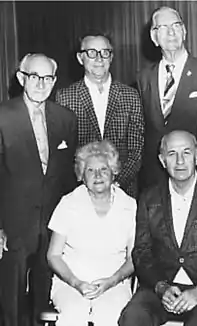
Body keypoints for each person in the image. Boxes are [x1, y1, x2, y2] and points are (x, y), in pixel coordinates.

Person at [118, 130, 197, 326]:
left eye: (186, 152)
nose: (179, 161)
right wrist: (161, 287)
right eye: (172, 154)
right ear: (162, 160)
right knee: (133, 317)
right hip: (163, 286)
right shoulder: (149, 198)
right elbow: (142, 251)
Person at [0, 53, 78, 326]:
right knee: (10, 301)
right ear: (21, 78)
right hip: (14, 224)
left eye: (48, 78)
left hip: (53, 225)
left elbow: (68, 177)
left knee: (43, 302)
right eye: (35, 77)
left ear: (55, 81)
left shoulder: (66, 119)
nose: (41, 84)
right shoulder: (2, 117)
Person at [47, 140, 136, 326]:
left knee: (111, 317)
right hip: (70, 284)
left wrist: (111, 282)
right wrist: (76, 283)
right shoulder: (68, 203)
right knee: (73, 315)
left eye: (103, 169)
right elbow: (53, 255)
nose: (98, 176)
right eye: (90, 170)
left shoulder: (130, 205)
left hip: (115, 285)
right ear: (81, 175)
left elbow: (133, 258)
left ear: (113, 172)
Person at [138, 6, 197, 191]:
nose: (171, 32)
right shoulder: (143, 78)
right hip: (155, 180)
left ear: (184, 32)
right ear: (154, 37)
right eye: (163, 27)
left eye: (176, 25)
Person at [56, 32, 144, 198]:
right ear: (80, 58)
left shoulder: (130, 95)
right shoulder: (65, 97)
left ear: (111, 57)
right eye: (92, 53)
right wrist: (87, 185)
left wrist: (117, 183)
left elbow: (136, 150)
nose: (99, 59)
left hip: (123, 191)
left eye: (105, 53)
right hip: (82, 191)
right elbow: (65, 154)